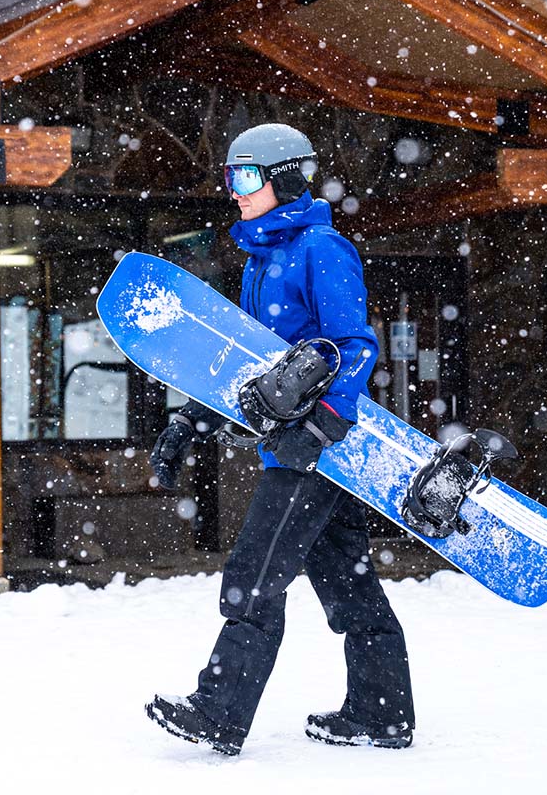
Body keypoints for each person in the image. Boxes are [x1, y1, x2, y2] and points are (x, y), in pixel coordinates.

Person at [144, 123, 415, 756]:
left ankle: (220, 710)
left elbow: (355, 347)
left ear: (284, 177)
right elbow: (246, 367)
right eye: (231, 179)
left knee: (253, 576)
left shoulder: (321, 249)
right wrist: (192, 420)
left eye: (244, 178)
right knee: (349, 585)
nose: (234, 193)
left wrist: (323, 425)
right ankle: (381, 713)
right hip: (303, 448)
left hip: (315, 451)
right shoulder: (262, 261)